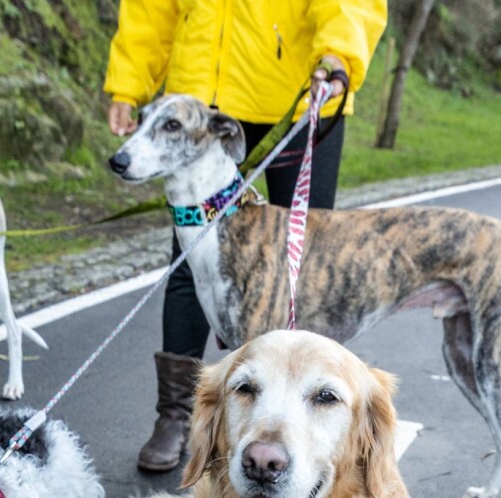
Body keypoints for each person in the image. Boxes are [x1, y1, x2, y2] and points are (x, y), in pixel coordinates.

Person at [104, 2, 388, 471]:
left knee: (305, 266)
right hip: (199, 91)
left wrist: (339, 53)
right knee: (192, 263)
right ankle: (179, 416)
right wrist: (128, 82)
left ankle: (306, 428)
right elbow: (150, 9)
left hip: (293, 88)